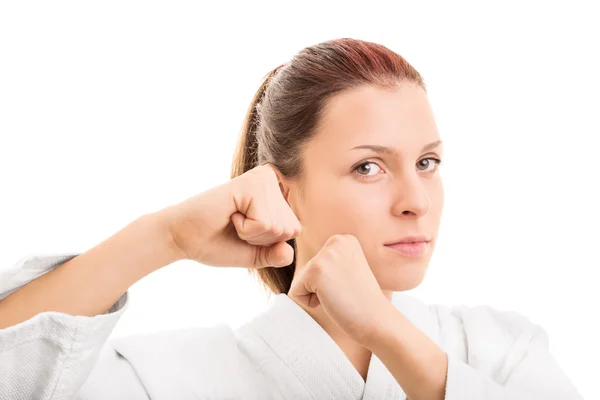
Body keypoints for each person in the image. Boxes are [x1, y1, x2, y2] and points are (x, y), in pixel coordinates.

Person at [0, 38, 582, 400]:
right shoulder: (167, 378)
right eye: (369, 168)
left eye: (428, 162)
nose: (417, 200)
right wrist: (166, 235)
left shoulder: (501, 350)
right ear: (282, 191)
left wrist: (385, 330)